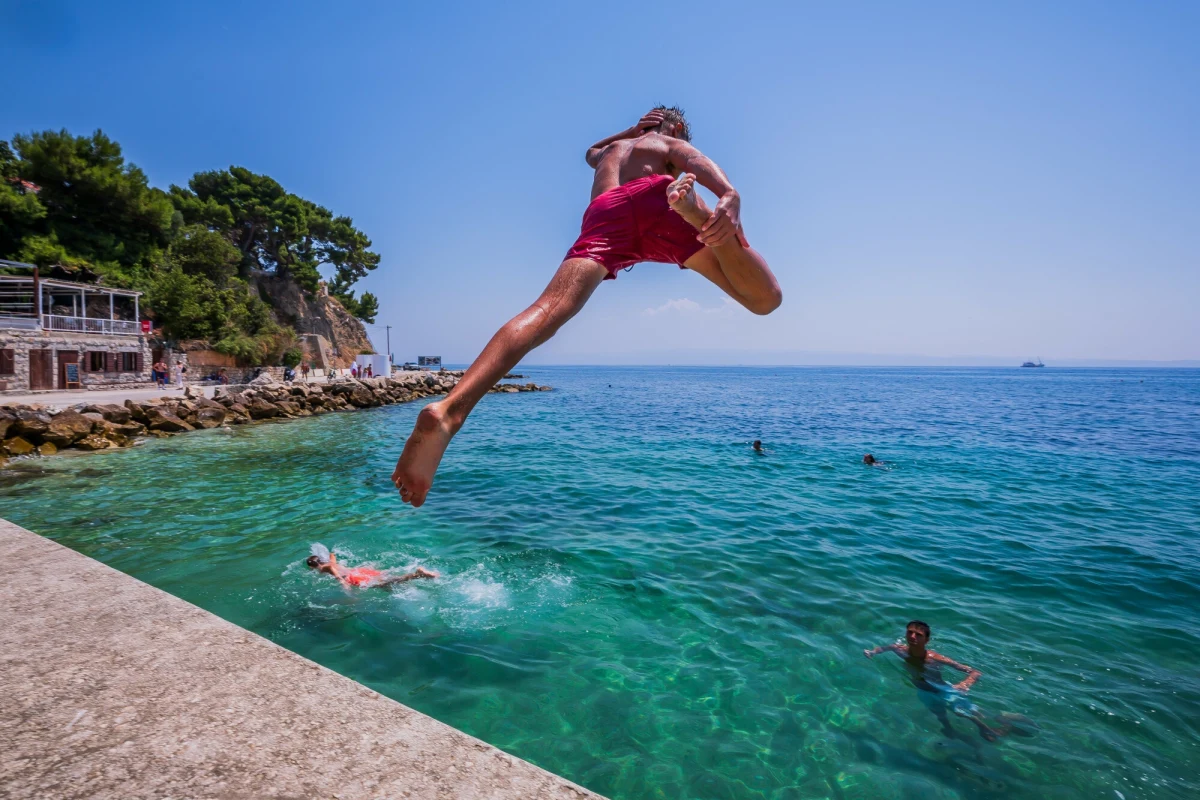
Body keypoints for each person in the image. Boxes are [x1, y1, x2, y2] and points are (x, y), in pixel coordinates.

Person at [392, 106, 783, 507]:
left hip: (604, 213)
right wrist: (728, 193)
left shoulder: (612, 151)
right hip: (658, 198)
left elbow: (590, 151)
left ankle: (450, 411)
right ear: (678, 127)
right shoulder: (665, 141)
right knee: (764, 298)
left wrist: (629, 129)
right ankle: (698, 215)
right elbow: (693, 159)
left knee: (549, 309)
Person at [864, 621, 1010, 742]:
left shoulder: (934, 658)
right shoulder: (899, 649)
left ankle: (991, 728)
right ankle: (948, 729)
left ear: (926, 640)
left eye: (918, 635)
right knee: (938, 712)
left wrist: (965, 684)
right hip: (922, 689)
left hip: (941, 688)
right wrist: (873, 652)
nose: (912, 636)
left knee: (961, 711)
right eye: (910, 632)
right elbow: (884, 648)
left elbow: (975, 672)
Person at [305, 551, 438, 589]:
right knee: (387, 584)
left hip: (355, 578)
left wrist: (343, 583)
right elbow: (332, 554)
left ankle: (417, 575)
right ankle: (413, 576)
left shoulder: (325, 567)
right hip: (360, 571)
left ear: (313, 566)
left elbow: (333, 570)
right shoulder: (329, 561)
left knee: (386, 583)